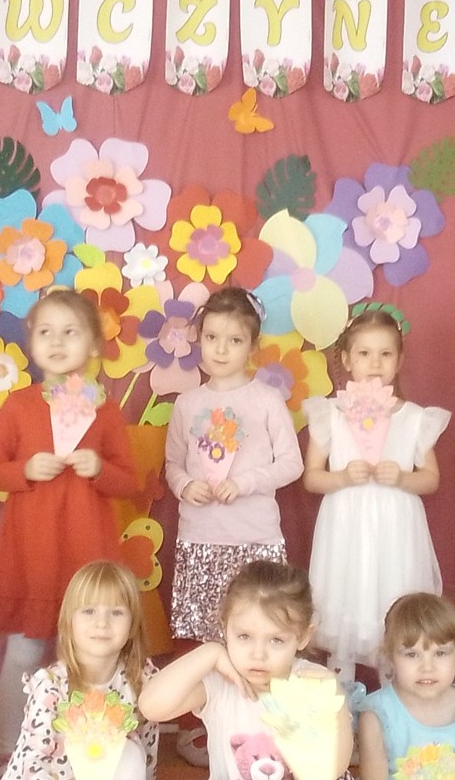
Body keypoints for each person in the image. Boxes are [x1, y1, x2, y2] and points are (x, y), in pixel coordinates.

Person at [0, 289, 139, 757]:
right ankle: (10, 745)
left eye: (71, 332)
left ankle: (89, 747)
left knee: (91, 655)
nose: (57, 342)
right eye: (46, 332)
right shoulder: (19, 405)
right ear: (31, 343)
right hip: (33, 552)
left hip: (88, 552)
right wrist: (23, 469)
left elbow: (129, 481)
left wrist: (100, 468)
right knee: (25, 652)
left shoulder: (105, 409)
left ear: (94, 345)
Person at [164, 287, 304, 764]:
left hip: (254, 539)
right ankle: (197, 729)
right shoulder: (187, 403)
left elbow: (291, 463)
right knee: (202, 634)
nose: (220, 349)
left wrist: (243, 482)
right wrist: (185, 485)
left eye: (234, 340)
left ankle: (266, 726)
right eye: (211, 338)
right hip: (200, 538)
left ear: (252, 346)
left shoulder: (266, 400)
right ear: (199, 340)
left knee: (260, 632)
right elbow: (172, 464)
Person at [303, 309, 447, 684]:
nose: (375, 363)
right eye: (364, 353)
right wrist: (340, 477)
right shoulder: (330, 413)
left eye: (385, 354)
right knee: (344, 609)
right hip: (346, 527)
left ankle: (390, 702)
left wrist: (402, 477)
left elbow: (431, 478)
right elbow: (311, 477)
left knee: (393, 614)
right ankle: (340, 702)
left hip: (395, 531)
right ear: (347, 359)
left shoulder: (413, 417)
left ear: (399, 360)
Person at [139, 560, 354, 780]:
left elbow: (331, 770)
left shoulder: (315, 683)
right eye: (244, 636)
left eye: (276, 640)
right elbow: (151, 707)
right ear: (225, 628)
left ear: (304, 636)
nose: (258, 654)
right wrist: (210, 652)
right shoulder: (220, 683)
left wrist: (319, 705)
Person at [5, 560, 159, 780]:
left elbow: (147, 751)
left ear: (133, 623)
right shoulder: (50, 685)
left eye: (116, 612)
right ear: (69, 621)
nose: (102, 623)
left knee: (130, 752)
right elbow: (33, 762)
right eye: (89, 611)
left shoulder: (141, 678)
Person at [358, 593, 455, 780]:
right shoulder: (377, 716)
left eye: (440, 653)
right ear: (391, 657)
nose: (427, 667)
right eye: (411, 654)